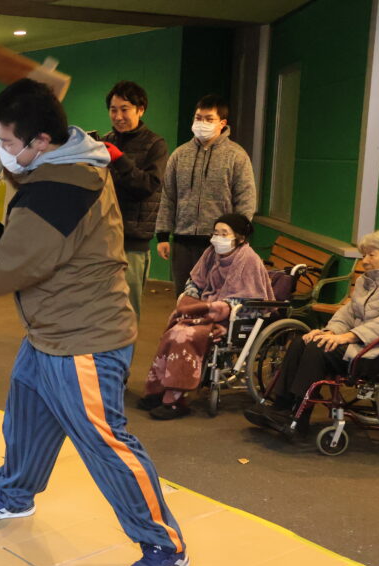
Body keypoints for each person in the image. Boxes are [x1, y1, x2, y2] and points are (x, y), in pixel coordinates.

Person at [0, 79, 187, 566]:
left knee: (104, 442)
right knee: (26, 420)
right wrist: (19, 145)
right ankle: (16, 494)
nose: (2, 150)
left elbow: (14, 264)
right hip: (48, 330)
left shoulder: (63, 188)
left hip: (85, 337)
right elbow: (27, 182)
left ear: (41, 141)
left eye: (7, 141)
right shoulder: (71, 155)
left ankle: (164, 543)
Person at [245, 229, 379, 436]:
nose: (365, 261)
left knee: (319, 349)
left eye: (371, 254)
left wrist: (350, 336)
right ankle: (280, 406)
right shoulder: (367, 279)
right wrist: (329, 331)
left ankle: (299, 417)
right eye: (363, 255)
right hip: (366, 341)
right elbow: (348, 312)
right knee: (303, 341)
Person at [138, 214, 274, 420]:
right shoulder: (211, 253)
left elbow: (251, 299)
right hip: (208, 310)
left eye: (224, 234)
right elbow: (195, 281)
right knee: (172, 333)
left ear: (240, 238)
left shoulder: (249, 259)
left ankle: (175, 399)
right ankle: (159, 389)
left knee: (183, 336)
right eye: (216, 233)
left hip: (234, 319)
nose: (217, 238)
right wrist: (191, 298)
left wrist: (219, 307)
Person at [155, 94, 256, 298]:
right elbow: (168, 197)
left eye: (209, 119)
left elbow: (246, 199)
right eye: (198, 118)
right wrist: (163, 235)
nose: (202, 123)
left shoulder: (237, 156)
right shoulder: (179, 155)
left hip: (219, 242)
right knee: (184, 297)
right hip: (183, 241)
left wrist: (237, 236)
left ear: (222, 123)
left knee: (214, 298)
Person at [102, 81, 168, 319]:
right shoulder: (106, 140)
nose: (118, 116)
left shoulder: (155, 145)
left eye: (125, 109)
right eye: (113, 110)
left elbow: (148, 186)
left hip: (132, 243)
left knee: (126, 313)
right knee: (100, 311)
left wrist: (120, 159)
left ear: (140, 110)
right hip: (102, 238)